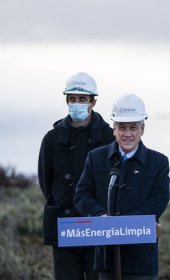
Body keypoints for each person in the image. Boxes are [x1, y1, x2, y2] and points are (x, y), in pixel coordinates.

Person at [74, 93, 170, 280]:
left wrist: (128, 226)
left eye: (133, 127)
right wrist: (100, 216)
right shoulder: (96, 158)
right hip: (106, 260)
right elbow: (82, 195)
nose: (127, 134)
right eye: (122, 128)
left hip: (142, 260)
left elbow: (159, 200)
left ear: (142, 129)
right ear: (114, 129)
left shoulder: (158, 162)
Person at [38, 72, 115, 280]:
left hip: (98, 228)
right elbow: (46, 182)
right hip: (64, 227)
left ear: (93, 102)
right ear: (66, 100)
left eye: (83, 99)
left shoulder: (109, 137)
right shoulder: (52, 139)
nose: (77, 104)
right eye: (73, 98)